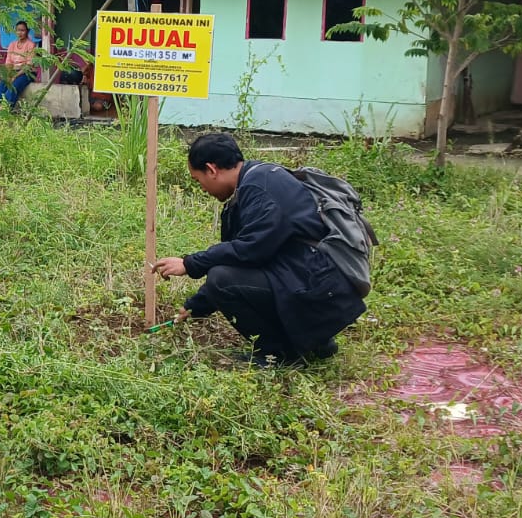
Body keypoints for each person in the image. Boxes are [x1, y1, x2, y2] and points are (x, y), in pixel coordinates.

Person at [152, 132, 366, 365]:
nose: (201, 188)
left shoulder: (258, 188)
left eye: (197, 179)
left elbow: (250, 251)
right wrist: (195, 307)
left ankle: (278, 354)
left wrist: (189, 263)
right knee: (224, 275)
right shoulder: (258, 180)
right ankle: (315, 340)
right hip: (320, 284)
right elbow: (242, 259)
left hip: (321, 290)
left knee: (220, 279)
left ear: (211, 169)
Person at [0, 21, 37, 111]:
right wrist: (9, 75)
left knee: (14, 86)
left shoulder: (31, 45)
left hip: (27, 73)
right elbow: (8, 62)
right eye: (18, 30)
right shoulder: (12, 45)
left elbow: (29, 65)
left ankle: (6, 108)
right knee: (2, 84)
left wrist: (15, 76)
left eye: (22, 30)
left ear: (27, 31)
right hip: (13, 71)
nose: (20, 33)